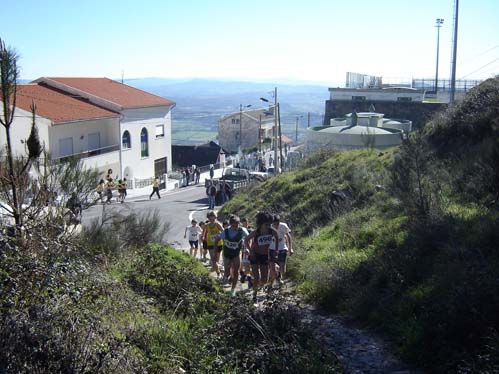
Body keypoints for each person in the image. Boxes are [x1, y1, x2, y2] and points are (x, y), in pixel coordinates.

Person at [244, 211, 279, 303]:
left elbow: (277, 238)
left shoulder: (272, 231)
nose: (269, 226)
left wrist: (276, 250)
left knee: (264, 280)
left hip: (265, 256)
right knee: (257, 277)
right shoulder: (256, 232)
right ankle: (254, 296)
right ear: (261, 224)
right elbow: (246, 240)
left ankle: (251, 281)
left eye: (270, 224)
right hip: (255, 255)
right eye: (267, 224)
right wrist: (250, 251)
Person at [214, 215, 249, 297]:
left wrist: (247, 248)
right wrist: (215, 252)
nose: (235, 227)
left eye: (236, 225)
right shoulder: (226, 231)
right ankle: (224, 278)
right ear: (230, 225)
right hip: (227, 253)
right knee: (227, 271)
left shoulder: (242, 230)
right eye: (233, 226)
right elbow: (216, 239)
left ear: (239, 224)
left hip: (236, 253)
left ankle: (233, 290)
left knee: (236, 271)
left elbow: (248, 238)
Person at [269, 214, 293, 286]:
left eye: (277, 224)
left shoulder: (283, 226)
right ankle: (275, 279)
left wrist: (290, 248)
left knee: (282, 270)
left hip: (282, 247)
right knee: (273, 268)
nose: (276, 226)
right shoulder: (269, 227)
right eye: (274, 224)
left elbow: (288, 237)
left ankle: (278, 276)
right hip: (272, 248)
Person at [203, 211, 224, 278]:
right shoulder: (206, 225)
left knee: (217, 259)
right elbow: (203, 233)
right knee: (213, 260)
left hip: (218, 243)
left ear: (215, 218)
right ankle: (218, 273)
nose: (212, 221)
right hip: (210, 243)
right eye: (210, 219)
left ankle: (220, 268)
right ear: (208, 218)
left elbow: (223, 232)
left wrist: (221, 236)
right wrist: (203, 237)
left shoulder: (217, 224)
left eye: (213, 219)